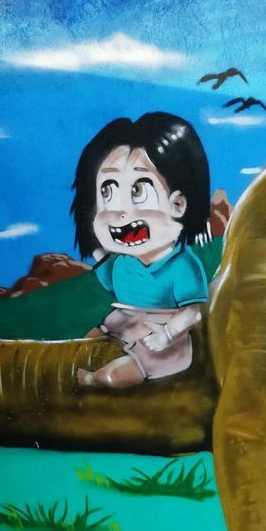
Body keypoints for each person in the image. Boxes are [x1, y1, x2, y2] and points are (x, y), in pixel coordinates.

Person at [71, 113, 212, 389]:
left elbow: (195, 311)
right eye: (108, 191)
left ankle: (94, 380)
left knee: (114, 376)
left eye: (138, 190)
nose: (120, 211)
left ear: (178, 204)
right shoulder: (122, 262)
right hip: (122, 322)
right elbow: (106, 270)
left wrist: (168, 333)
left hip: (158, 335)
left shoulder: (182, 265)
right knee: (86, 339)